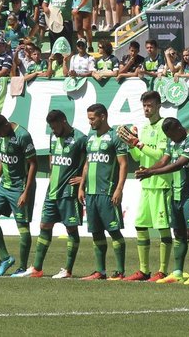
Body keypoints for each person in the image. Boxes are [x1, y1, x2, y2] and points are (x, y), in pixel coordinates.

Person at [139, 117, 189, 284]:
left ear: (179, 128)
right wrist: (149, 169)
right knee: (179, 233)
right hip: (175, 193)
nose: (172, 140)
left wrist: (153, 173)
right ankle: (177, 272)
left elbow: (179, 164)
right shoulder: (172, 139)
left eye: (173, 136)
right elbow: (164, 160)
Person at [118, 90, 171, 281]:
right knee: (140, 225)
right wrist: (132, 145)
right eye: (144, 106)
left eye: (150, 105)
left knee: (163, 227)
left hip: (161, 184)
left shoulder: (164, 127)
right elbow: (139, 158)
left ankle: (163, 270)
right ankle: (143, 270)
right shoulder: (145, 128)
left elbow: (162, 156)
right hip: (146, 185)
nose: (146, 109)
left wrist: (138, 144)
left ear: (158, 106)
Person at [27, 109, 86, 279]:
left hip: (68, 192)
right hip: (52, 191)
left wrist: (83, 179)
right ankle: (37, 268)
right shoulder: (53, 137)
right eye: (51, 128)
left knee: (71, 229)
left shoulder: (80, 138)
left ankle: (67, 270)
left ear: (64, 121)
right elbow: (52, 160)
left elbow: (91, 159)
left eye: (55, 127)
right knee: (44, 226)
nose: (53, 131)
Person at [78, 103, 128, 280]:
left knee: (114, 231)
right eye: (89, 118)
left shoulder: (115, 137)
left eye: (93, 118)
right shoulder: (90, 137)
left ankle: (120, 271)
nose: (90, 122)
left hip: (107, 192)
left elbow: (123, 164)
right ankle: (100, 271)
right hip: (90, 193)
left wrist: (119, 189)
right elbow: (87, 163)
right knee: (96, 232)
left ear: (103, 117)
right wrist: (81, 186)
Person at [0, 113, 37, 277]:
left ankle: (22, 267)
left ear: (6, 125)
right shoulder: (1, 135)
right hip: (4, 186)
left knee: (23, 228)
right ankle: (5, 258)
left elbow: (33, 164)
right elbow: (3, 156)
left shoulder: (23, 136)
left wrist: (26, 192)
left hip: (20, 187)